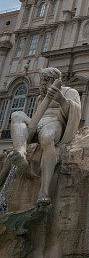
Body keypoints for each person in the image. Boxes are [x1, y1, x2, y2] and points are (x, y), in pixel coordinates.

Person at [0, 67, 81, 206]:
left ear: (53, 80)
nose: (42, 84)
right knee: (17, 115)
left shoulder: (69, 92)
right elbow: (36, 116)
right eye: (42, 81)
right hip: (36, 123)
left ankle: (44, 191)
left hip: (55, 123)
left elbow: (76, 113)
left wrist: (61, 100)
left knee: (47, 138)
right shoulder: (40, 97)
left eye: (44, 80)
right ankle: (21, 151)